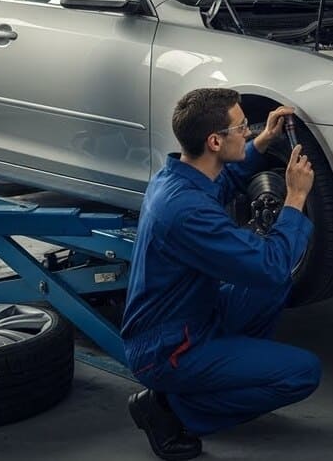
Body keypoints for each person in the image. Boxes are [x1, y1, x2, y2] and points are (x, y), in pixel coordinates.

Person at [121, 88, 320, 460]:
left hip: (194, 316)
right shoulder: (187, 212)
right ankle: (169, 410)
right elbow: (270, 262)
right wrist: (294, 198)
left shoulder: (176, 177)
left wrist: (261, 142)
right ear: (215, 141)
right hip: (168, 349)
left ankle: (225, 370)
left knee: (272, 287)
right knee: (303, 372)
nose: (247, 131)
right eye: (242, 127)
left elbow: (222, 182)